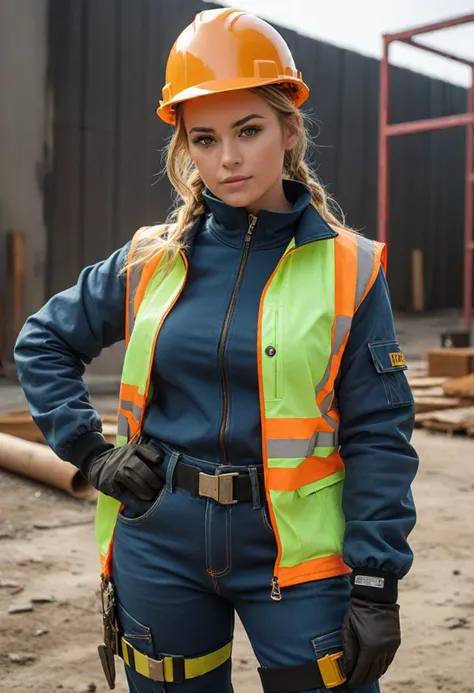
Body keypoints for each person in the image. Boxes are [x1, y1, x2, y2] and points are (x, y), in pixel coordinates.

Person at [14, 8, 419, 693]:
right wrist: (90, 452)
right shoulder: (151, 259)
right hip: (160, 542)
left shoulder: (352, 269)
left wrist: (376, 578)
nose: (227, 158)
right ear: (185, 147)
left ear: (290, 130)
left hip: (298, 558)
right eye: (204, 138)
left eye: (249, 130)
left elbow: (381, 433)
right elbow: (44, 339)